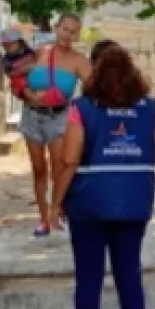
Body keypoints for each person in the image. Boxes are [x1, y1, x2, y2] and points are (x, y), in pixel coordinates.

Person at [49, 40, 155, 309]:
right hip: (135, 201)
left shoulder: (82, 108)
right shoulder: (149, 107)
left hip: (89, 204)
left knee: (89, 276)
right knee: (129, 273)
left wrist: (55, 202)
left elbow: (70, 158)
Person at [21, 14, 92, 237]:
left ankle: (57, 211)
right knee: (38, 169)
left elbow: (96, 87)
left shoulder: (78, 60)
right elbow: (18, 81)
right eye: (64, 29)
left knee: (60, 168)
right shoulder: (39, 52)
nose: (67, 35)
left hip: (60, 117)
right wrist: (30, 95)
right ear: (56, 27)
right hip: (32, 115)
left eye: (73, 32)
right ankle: (43, 219)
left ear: (77, 35)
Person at [1, 28, 36, 100]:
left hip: (34, 76)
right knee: (19, 83)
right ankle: (34, 98)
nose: (9, 47)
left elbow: (37, 61)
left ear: (20, 42)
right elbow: (9, 74)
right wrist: (22, 70)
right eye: (6, 45)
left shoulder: (29, 51)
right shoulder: (7, 59)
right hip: (19, 80)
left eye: (12, 43)